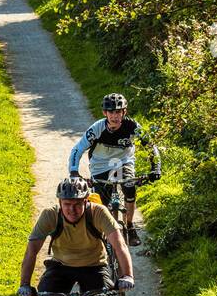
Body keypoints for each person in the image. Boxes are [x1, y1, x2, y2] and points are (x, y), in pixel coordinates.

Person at [68, 93, 161, 245]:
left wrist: (155, 167)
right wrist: (73, 172)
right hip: (100, 165)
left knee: (129, 186)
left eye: (118, 112)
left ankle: (130, 226)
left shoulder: (133, 127)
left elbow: (151, 146)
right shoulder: (97, 129)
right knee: (101, 207)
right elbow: (77, 150)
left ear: (124, 112)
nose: (115, 116)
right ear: (105, 113)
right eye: (111, 112)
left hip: (123, 162)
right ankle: (100, 236)